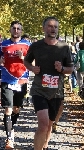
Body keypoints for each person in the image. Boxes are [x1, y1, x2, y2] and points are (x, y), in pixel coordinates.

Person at [24, 17, 73, 150]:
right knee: (43, 124)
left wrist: (62, 69)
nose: (53, 29)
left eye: (55, 27)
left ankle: (44, 146)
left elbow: (70, 69)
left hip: (56, 92)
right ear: (44, 28)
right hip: (39, 90)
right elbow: (26, 61)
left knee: (50, 124)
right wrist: (32, 68)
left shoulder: (64, 47)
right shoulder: (36, 46)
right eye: (50, 26)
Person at [0, 21, 30, 149]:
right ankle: (9, 138)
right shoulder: (3, 44)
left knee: (16, 109)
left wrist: (23, 58)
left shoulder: (27, 45)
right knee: (8, 109)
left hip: (21, 81)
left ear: (21, 31)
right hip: (7, 80)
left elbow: (34, 62)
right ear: (10, 30)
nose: (16, 30)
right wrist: (0, 60)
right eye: (14, 28)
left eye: (18, 29)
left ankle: (11, 128)